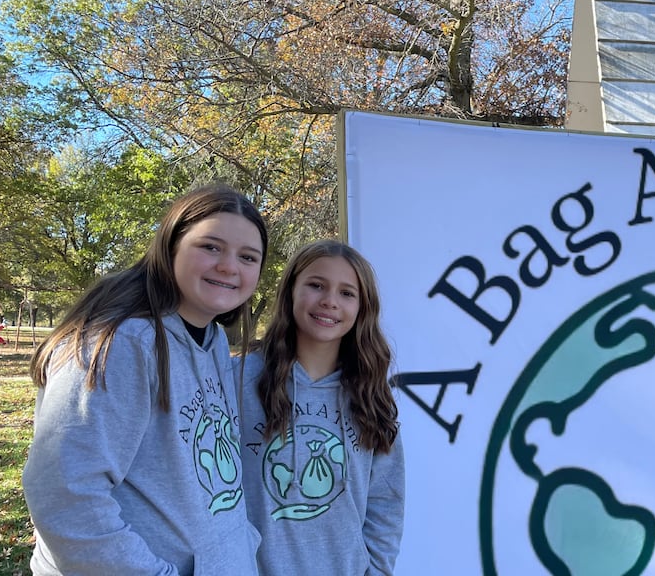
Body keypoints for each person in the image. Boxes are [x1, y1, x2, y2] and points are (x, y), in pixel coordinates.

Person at [22, 184, 267, 575]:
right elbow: (66, 495)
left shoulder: (214, 339)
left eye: (248, 256)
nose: (229, 266)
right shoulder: (118, 341)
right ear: (171, 246)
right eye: (210, 247)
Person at [237, 240, 404, 576]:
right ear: (291, 291)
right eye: (316, 285)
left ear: (362, 307)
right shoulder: (238, 380)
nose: (329, 301)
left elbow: (385, 502)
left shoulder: (370, 394)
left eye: (347, 293)